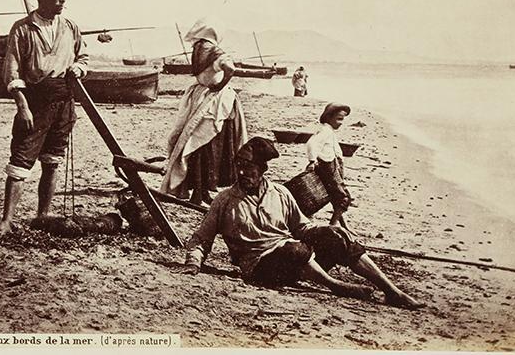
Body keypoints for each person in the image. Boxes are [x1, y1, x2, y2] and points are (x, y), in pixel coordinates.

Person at [178, 136, 424, 309]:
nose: (243, 174)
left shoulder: (280, 194)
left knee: (337, 236)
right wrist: (193, 263)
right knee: (295, 249)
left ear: (263, 169)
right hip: (261, 268)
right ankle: (335, 285)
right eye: (239, 168)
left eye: (250, 168)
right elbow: (201, 238)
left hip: (296, 260)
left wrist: (330, 230)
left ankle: (392, 291)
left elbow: (301, 228)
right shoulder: (225, 201)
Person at [0, 0, 88, 234]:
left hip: (64, 101)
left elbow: (83, 55)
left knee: (52, 161)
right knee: (21, 160)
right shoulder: (22, 29)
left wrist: (79, 68)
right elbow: (12, 71)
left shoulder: (70, 26)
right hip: (35, 101)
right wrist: (22, 106)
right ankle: (6, 221)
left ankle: (43, 216)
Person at [160, 19, 248, 205]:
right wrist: (221, 85)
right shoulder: (216, 51)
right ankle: (200, 193)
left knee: (194, 144)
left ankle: (201, 192)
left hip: (201, 95)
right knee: (206, 145)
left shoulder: (198, 48)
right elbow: (230, 69)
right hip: (215, 101)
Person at [306, 103, 352, 226]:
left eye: (343, 119)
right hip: (327, 166)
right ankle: (333, 223)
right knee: (343, 197)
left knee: (335, 195)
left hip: (331, 165)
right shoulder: (325, 131)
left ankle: (341, 223)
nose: (341, 123)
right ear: (329, 117)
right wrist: (312, 160)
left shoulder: (328, 130)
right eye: (339, 119)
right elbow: (312, 144)